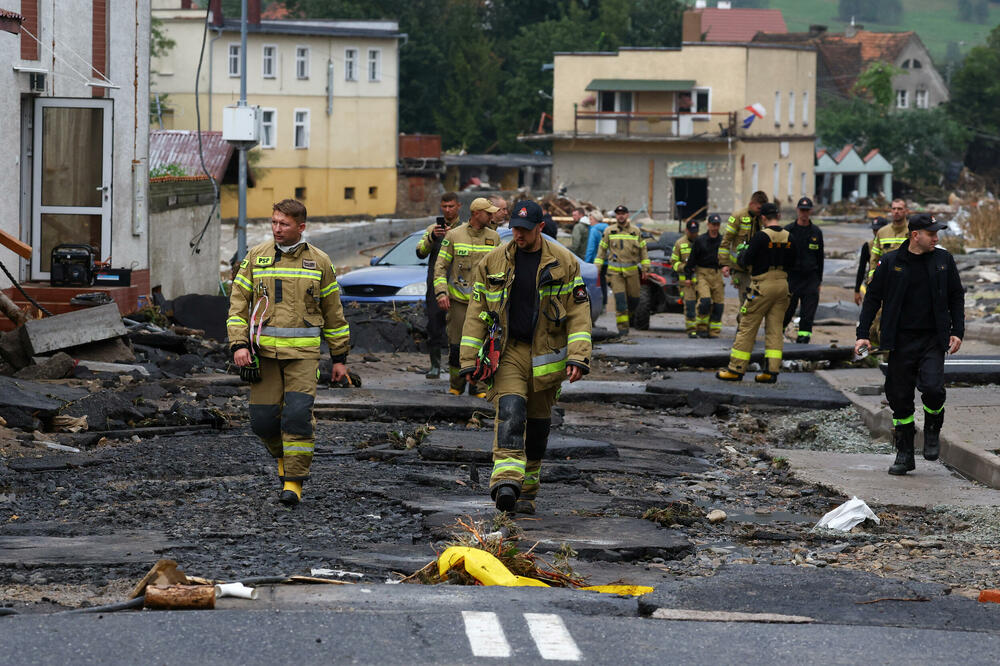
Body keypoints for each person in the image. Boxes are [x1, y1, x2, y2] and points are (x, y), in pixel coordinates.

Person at [460, 200, 592, 514]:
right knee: (510, 409)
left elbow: (578, 313)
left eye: (525, 229)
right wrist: (467, 359)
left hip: (547, 355)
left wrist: (578, 357)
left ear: (540, 228)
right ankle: (505, 481)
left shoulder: (564, 263)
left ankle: (528, 491)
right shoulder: (493, 263)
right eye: (515, 229)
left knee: (537, 426)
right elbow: (476, 313)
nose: (518, 235)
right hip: (509, 351)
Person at [228, 198, 350, 507]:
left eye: (283, 224)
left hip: (304, 358)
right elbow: (238, 306)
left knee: (296, 417)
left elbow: (334, 314)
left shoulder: (320, 262)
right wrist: (239, 344)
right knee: (262, 421)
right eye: (273, 222)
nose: (277, 229)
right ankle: (283, 458)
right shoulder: (255, 258)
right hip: (263, 355)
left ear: (301, 227)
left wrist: (340, 359)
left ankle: (293, 483)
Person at [855, 214, 964, 476]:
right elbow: (873, 298)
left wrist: (957, 331)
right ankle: (904, 453)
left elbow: (956, 296)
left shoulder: (943, 260)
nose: (936, 238)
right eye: (931, 234)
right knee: (899, 398)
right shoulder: (892, 262)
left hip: (932, 340)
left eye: (937, 233)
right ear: (915, 235)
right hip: (901, 340)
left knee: (933, 389)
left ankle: (931, 430)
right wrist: (862, 333)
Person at [716, 202, 795, 383]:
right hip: (783, 284)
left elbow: (745, 261)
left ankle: (736, 369)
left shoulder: (760, 237)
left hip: (762, 285)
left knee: (747, 325)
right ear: (779, 216)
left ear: (763, 218)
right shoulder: (790, 237)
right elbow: (794, 262)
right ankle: (771, 371)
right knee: (775, 329)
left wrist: (743, 252)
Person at [433, 197, 500, 397]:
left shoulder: (494, 238)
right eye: (488, 213)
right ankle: (456, 386)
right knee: (456, 346)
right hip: (458, 304)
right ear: (476, 213)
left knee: (482, 345)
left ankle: (479, 387)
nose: (491, 216)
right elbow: (440, 267)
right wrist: (441, 293)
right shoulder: (454, 235)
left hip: (484, 304)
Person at [416, 192, 462, 379]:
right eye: (445, 206)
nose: (448, 210)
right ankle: (435, 365)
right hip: (435, 285)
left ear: (458, 206)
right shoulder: (432, 229)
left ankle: (456, 366)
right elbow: (420, 252)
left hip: (459, 285)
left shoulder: (465, 230)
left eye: (451, 206)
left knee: (457, 328)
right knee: (434, 326)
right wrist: (432, 237)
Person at [594, 205, 650, 336]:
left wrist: (646, 268)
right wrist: (596, 268)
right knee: (620, 301)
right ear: (615, 216)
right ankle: (623, 330)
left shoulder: (636, 231)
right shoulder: (609, 231)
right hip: (615, 274)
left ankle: (629, 318)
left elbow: (643, 251)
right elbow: (601, 251)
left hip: (632, 273)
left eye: (623, 213)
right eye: (618, 213)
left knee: (634, 300)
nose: (620, 216)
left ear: (627, 215)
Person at [865, 199, 909, 345]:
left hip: (906, 285)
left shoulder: (912, 232)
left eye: (900, 209)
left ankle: (896, 353)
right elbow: (874, 258)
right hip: (885, 285)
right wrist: (872, 278)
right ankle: (875, 352)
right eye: (894, 208)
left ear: (906, 211)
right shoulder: (883, 232)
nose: (896, 211)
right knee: (877, 322)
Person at [782, 197, 824, 344]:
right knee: (787, 310)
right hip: (792, 278)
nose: (804, 213)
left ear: (811, 211)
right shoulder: (788, 230)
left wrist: (819, 280)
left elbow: (820, 258)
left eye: (807, 210)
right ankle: (778, 334)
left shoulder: (816, 232)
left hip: (810, 279)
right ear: (797, 210)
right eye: (802, 210)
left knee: (808, 314)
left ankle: (804, 340)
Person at [719, 191, 768, 311]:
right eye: (759, 208)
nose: (760, 211)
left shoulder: (763, 218)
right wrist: (724, 264)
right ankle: (742, 328)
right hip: (742, 269)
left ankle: (747, 328)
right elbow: (726, 241)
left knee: (758, 301)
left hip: (759, 268)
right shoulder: (738, 217)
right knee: (746, 302)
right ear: (751, 203)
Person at [686, 214, 724, 338]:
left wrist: (728, 268)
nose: (715, 227)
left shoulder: (723, 241)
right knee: (705, 301)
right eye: (713, 224)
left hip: (717, 274)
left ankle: (714, 331)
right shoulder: (700, 240)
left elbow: (727, 257)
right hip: (702, 273)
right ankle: (701, 328)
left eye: (717, 225)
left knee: (719, 305)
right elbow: (691, 260)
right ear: (708, 225)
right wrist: (688, 277)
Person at [671, 220, 700, 338]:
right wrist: (685, 268)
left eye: (695, 232)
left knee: (705, 305)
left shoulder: (701, 241)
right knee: (690, 305)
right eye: (691, 232)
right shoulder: (679, 243)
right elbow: (673, 262)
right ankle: (691, 330)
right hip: (686, 282)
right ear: (686, 230)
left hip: (701, 280)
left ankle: (703, 329)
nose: (693, 234)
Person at [854, 216, 888, 305]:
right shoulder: (868, 246)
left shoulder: (891, 243)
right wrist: (857, 290)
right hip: (874, 286)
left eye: (878, 230)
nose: (876, 232)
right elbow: (861, 268)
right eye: (874, 230)